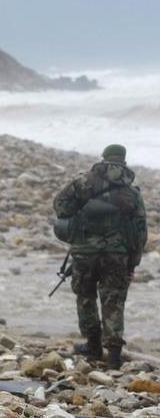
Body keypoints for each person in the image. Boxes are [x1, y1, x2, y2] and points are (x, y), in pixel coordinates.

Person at [53, 144, 147, 369]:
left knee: (85, 297)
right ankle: (114, 354)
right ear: (123, 162)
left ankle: (93, 346)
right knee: (113, 300)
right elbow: (141, 232)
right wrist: (132, 263)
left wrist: (81, 214)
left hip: (84, 252)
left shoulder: (84, 182)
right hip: (117, 255)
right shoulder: (132, 193)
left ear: (103, 158)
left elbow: (60, 206)